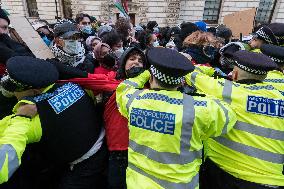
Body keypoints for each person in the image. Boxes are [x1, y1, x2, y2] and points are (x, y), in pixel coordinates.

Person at [116, 47, 237, 189]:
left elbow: (125, 87)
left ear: (151, 77)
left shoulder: (133, 99)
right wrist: (198, 92)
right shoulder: (199, 108)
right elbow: (229, 116)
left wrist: (146, 73)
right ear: (181, 82)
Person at [0, 56, 107, 188]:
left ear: (34, 91)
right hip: (102, 141)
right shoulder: (73, 85)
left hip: (85, 165)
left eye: (15, 90)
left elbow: (4, 163)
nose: (13, 93)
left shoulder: (32, 118)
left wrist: (22, 118)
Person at [186, 50, 284, 188]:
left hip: (227, 175)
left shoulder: (228, 91)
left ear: (235, 74)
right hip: (273, 181)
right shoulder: (281, 97)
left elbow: (190, 72)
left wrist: (211, 71)